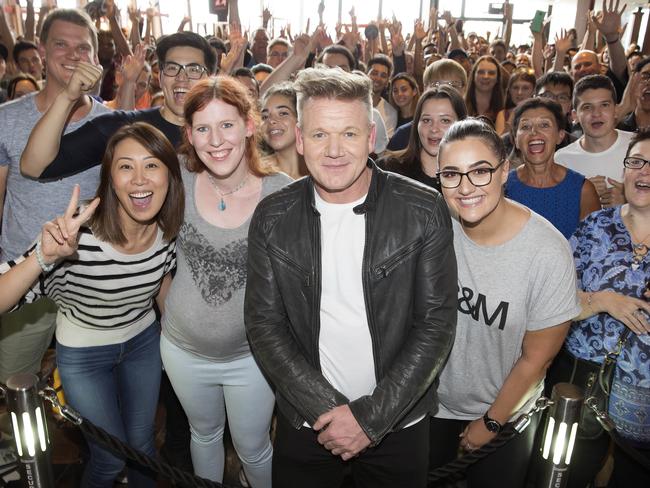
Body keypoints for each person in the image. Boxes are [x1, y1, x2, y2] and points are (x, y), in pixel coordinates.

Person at [244, 67, 457, 488]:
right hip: (308, 423)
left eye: (349, 134)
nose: (335, 150)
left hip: (399, 422)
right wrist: (330, 413)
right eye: (320, 134)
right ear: (301, 140)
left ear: (371, 139)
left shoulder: (423, 209)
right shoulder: (272, 217)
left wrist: (369, 417)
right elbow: (264, 326)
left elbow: (436, 325)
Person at [0, 122, 184, 488]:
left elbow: (162, 280)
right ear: (110, 179)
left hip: (142, 344)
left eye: (151, 165)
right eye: (125, 166)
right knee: (109, 457)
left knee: (143, 445)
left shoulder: (169, 227)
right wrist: (43, 257)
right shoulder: (76, 236)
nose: (139, 179)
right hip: (83, 353)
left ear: (169, 175)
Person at [431, 118, 580, 488]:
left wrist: (492, 421)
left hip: (506, 413)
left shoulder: (547, 252)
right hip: (430, 407)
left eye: (480, 171)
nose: (465, 187)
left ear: (504, 172)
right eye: (451, 174)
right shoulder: (435, 224)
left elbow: (537, 357)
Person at [160, 76, 291, 486]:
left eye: (227, 125)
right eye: (203, 128)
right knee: (204, 434)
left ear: (250, 125)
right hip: (182, 350)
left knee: (253, 447)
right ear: (189, 135)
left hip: (250, 357)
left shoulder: (279, 192)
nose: (216, 140)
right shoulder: (175, 177)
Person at [0, 7, 110, 388]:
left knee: (88, 388)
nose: (73, 55)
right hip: (23, 276)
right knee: (17, 387)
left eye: (84, 48)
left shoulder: (110, 121)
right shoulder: (7, 118)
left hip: (88, 276)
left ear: (96, 59)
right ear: (43, 53)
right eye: (61, 44)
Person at [546, 129, 650, 488]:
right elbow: (555, 299)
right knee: (565, 474)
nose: (644, 172)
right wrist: (603, 301)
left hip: (645, 394)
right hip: (584, 377)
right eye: (636, 162)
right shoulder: (595, 226)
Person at [506, 98, 600, 239]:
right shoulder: (502, 187)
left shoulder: (583, 190)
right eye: (525, 127)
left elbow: (594, 250)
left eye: (544, 125)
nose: (534, 132)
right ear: (516, 140)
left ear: (560, 136)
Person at [555, 74, 634, 208]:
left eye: (604, 105)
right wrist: (583, 197)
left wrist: (629, 201)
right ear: (575, 116)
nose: (596, 113)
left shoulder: (639, 147)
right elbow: (557, 214)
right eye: (587, 107)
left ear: (615, 110)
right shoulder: (562, 160)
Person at [381, 85, 467, 191]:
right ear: (417, 124)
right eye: (427, 120)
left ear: (462, 126)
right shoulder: (387, 170)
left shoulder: (469, 179)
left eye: (445, 120)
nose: (434, 129)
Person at [260, 82, 307, 179]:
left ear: (300, 118)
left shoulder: (321, 168)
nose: (271, 120)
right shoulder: (254, 172)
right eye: (265, 117)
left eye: (283, 113)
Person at [495, 68, 535, 135]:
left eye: (525, 88)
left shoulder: (541, 112)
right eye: (515, 88)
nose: (519, 92)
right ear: (510, 90)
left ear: (533, 91)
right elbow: (500, 142)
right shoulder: (503, 114)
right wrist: (513, 116)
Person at [465, 55, 504, 124]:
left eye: (491, 73)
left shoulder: (505, 110)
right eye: (481, 72)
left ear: (497, 78)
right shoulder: (460, 105)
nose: (486, 76)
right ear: (473, 76)